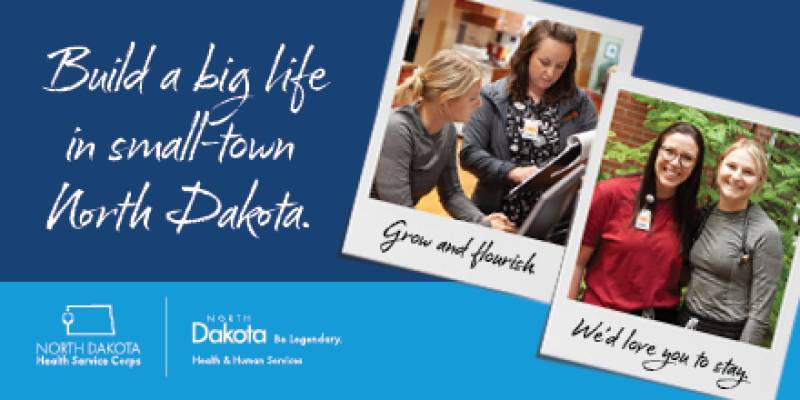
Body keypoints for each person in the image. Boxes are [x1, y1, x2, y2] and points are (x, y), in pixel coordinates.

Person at [459, 20, 597, 227]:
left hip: (553, 223)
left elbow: (592, 154)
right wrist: (512, 172)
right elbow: (470, 154)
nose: (550, 73)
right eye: (544, 62)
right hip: (494, 216)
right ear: (527, 54)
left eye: (560, 66)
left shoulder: (581, 104)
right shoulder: (491, 96)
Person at [568, 122, 705, 323]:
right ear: (657, 151)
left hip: (658, 322)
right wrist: (564, 315)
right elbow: (576, 263)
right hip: (600, 317)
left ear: (695, 166)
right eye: (669, 151)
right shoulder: (609, 194)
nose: (676, 162)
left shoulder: (690, 215)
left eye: (687, 158)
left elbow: (682, 276)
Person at [371, 49, 514, 232]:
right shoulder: (397, 129)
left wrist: (482, 220)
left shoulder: (448, 131)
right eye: (472, 98)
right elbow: (398, 210)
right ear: (446, 99)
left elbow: (451, 193)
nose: (479, 103)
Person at [679, 139, 783, 345]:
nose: (736, 176)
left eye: (748, 172)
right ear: (720, 166)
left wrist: (740, 355)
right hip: (684, 320)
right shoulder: (704, 215)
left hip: (725, 334)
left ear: (759, 180)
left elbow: (759, 315)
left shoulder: (765, 232)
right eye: (731, 166)